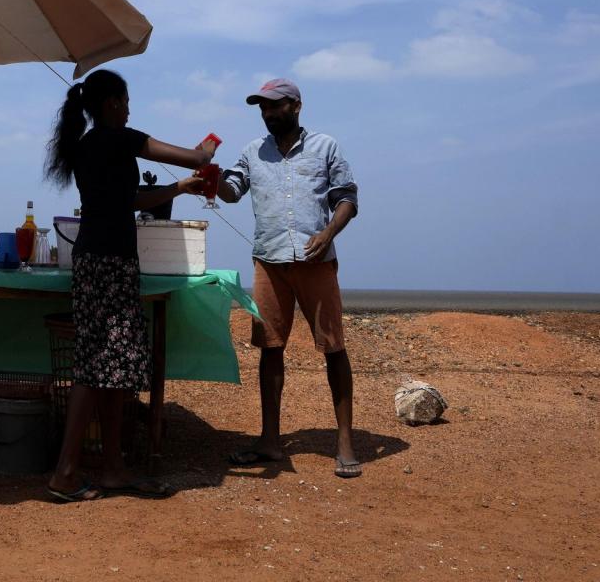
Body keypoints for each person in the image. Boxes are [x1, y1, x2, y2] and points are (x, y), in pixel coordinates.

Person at [44, 69, 218, 502]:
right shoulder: (123, 139)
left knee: (109, 364)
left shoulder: (84, 147)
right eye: (125, 101)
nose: (129, 109)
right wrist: (211, 145)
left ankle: (112, 468)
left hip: (93, 260)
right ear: (110, 105)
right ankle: (65, 472)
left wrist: (178, 189)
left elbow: (131, 201)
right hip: (112, 263)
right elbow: (197, 156)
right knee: (96, 364)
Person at [217, 78, 362, 478]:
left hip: (316, 261)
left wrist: (328, 233)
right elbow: (231, 191)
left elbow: (347, 199)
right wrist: (207, 175)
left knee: (333, 347)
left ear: (296, 106)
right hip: (269, 261)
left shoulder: (325, 147)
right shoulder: (252, 152)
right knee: (270, 348)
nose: (267, 114)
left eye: (274, 106)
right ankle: (270, 440)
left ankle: (345, 442)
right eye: (262, 108)